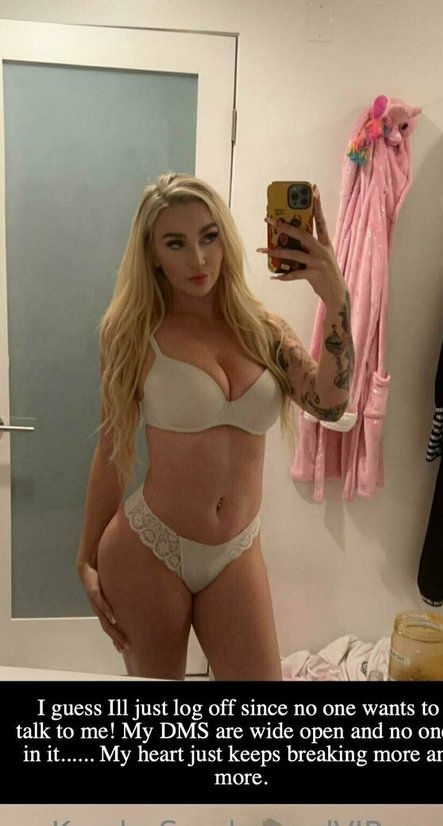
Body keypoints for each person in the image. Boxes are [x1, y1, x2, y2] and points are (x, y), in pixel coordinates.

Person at [76, 172, 354, 681]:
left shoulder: (264, 331)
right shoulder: (131, 334)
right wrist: (85, 558)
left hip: (237, 549)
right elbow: (112, 449)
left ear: (225, 238)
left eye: (208, 237)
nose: (198, 259)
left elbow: (330, 405)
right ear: (152, 254)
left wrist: (336, 299)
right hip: (148, 548)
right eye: (175, 243)